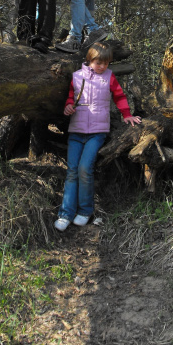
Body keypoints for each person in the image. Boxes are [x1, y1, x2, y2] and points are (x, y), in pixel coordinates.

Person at [54, 41, 142, 231]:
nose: (102, 66)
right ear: (89, 60)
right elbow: (70, 98)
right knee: (72, 171)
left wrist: (127, 114)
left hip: (97, 132)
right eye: (98, 62)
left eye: (106, 63)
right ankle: (65, 213)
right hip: (76, 130)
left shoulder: (109, 77)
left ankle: (85, 211)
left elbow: (119, 96)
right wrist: (68, 107)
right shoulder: (76, 77)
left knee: (85, 169)